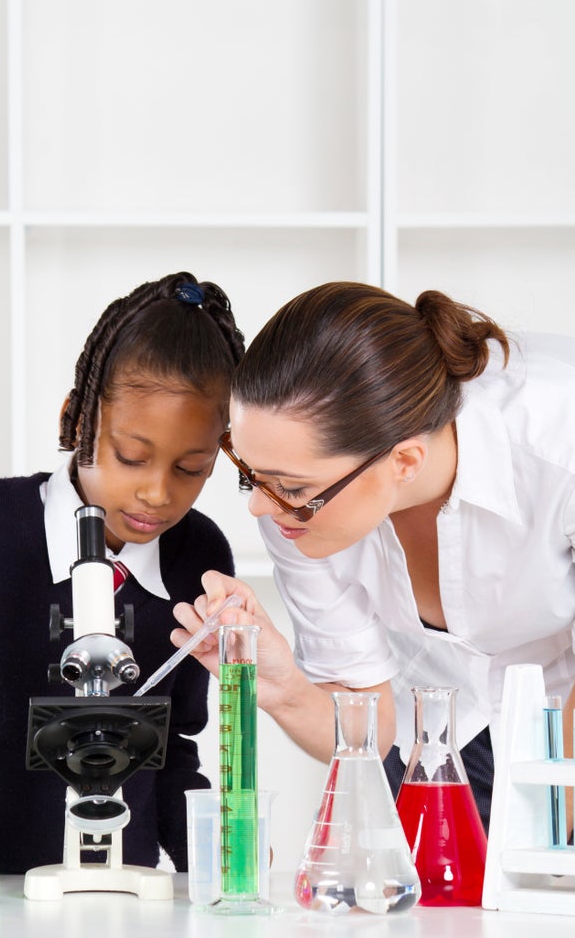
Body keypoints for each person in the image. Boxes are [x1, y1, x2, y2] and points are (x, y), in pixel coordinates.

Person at [0, 271, 245, 874]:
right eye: (131, 456)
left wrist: (217, 858)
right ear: (77, 418)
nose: (156, 492)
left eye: (191, 468)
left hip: (120, 890)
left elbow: (171, 747)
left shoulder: (199, 558)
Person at [172, 281, 575, 832]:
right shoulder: (296, 502)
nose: (261, 508)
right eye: (250, 476)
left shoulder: (557, 444)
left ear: (405, 461)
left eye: (287, 486)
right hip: (435, 727)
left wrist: (557, 840)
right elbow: (372, 726)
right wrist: (285, 687)